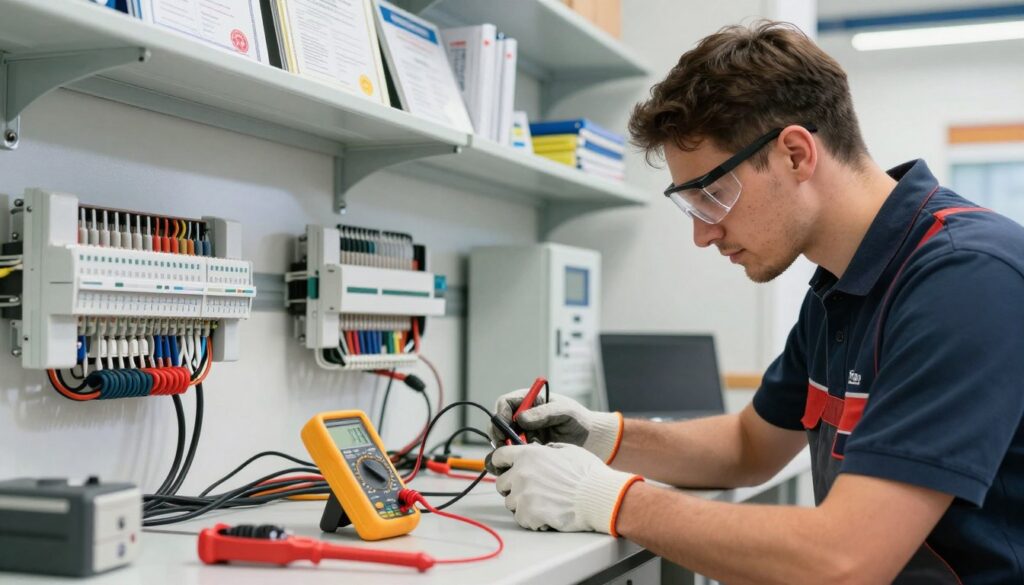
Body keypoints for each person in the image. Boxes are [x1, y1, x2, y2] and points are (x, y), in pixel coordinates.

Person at [485, 21, 1024, 584]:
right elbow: (749, 445)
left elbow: (845, 560)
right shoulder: (838, 292)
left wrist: (606, 498)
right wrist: (604, 436)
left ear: (795, 153)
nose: (703, 234)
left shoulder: (966, 278)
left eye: (711, 195)